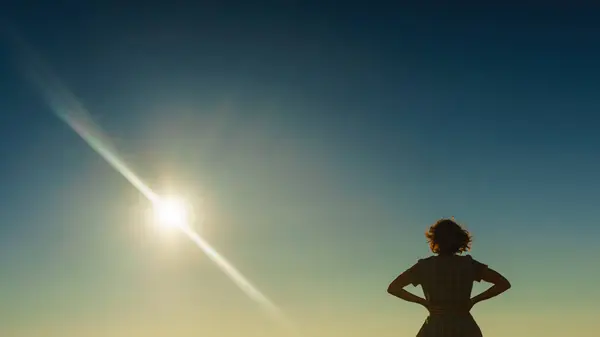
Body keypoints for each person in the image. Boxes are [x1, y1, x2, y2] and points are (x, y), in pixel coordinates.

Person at [387, 218, 511, 337]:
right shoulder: (469, 264)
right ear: (459, 240)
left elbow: (393, 288)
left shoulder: (424, 266)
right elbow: (503, 283)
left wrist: (425, 303)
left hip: (435, 327)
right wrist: (473, 301)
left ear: (435, 240)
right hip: (464, 327)